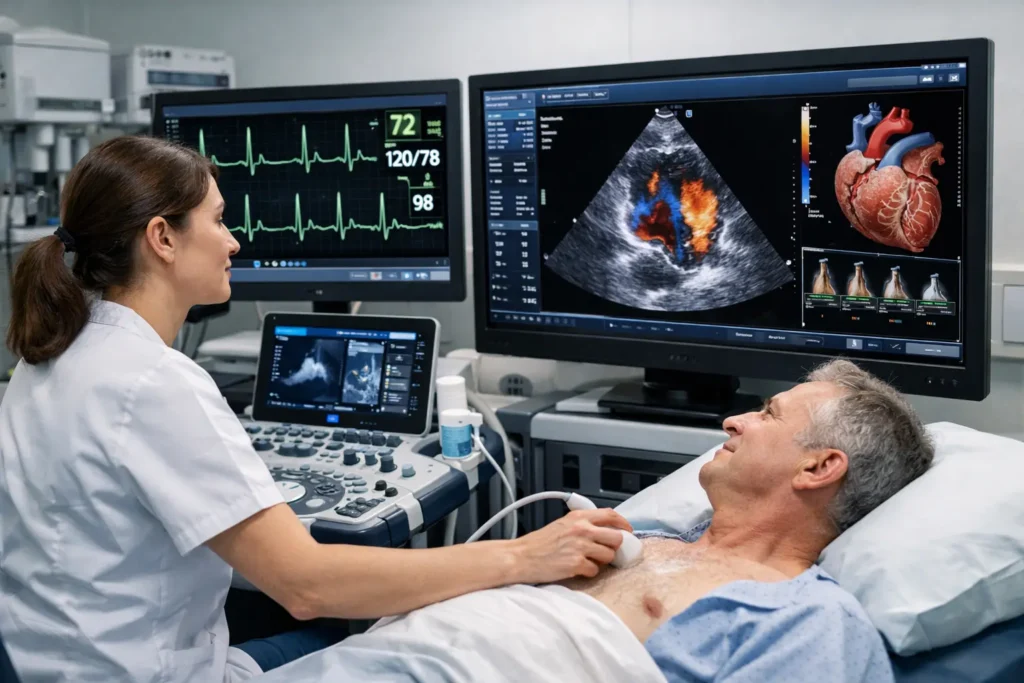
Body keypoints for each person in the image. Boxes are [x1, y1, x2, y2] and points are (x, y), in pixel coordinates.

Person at [0, 136, 632, 683]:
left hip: (50, 660)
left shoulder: (49, 354)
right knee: (382, 632)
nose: (235, 242)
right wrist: (523, 556)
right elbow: (307, 586)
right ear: (162, 238)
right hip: (139, 670)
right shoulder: (155, 383)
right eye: (219, 221)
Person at [253, 358, 933, 683]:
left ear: (819, 467)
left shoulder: (810, 620)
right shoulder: (631, 538)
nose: (734, 419)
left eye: (771, 413)